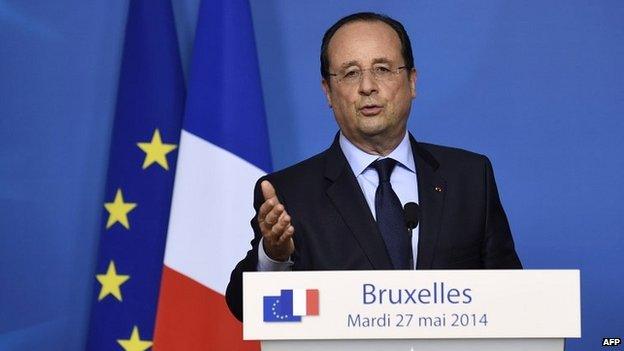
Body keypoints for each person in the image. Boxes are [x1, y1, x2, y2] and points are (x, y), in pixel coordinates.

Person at [225, 12, 521, 322]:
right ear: (327, 91)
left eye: (382, 69)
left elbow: (514, 299)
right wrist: (274, 256)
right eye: (350, 73)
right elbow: (245, 308)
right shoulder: (289, 194)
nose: (368, 86)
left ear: (412, 81)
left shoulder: (470, 178)